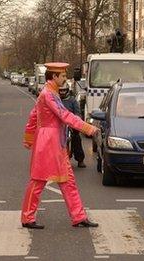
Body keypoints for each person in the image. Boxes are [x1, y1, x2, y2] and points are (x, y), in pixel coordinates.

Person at [21, 62, 99, 229]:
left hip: (53, 141)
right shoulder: (48, 94)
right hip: (49, 142)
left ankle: (78, 216)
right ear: (54, 76)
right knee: (39, 180)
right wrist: (88, 127)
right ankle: (27, 217)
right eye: (63, 76)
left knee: (67, 179)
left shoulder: (49, 92)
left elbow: (33, 116)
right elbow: (64, 115)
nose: (65, 79)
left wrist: (29, 138)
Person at [59, 83, 86, 168]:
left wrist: (76, 120)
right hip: (58, 125)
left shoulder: (72, 100)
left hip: (70, 124)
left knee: (76, 138)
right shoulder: (55, 100)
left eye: (64, 90)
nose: (62, 92)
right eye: (61, 91)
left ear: (67, 90)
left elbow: (78, 112)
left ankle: (80, 159)